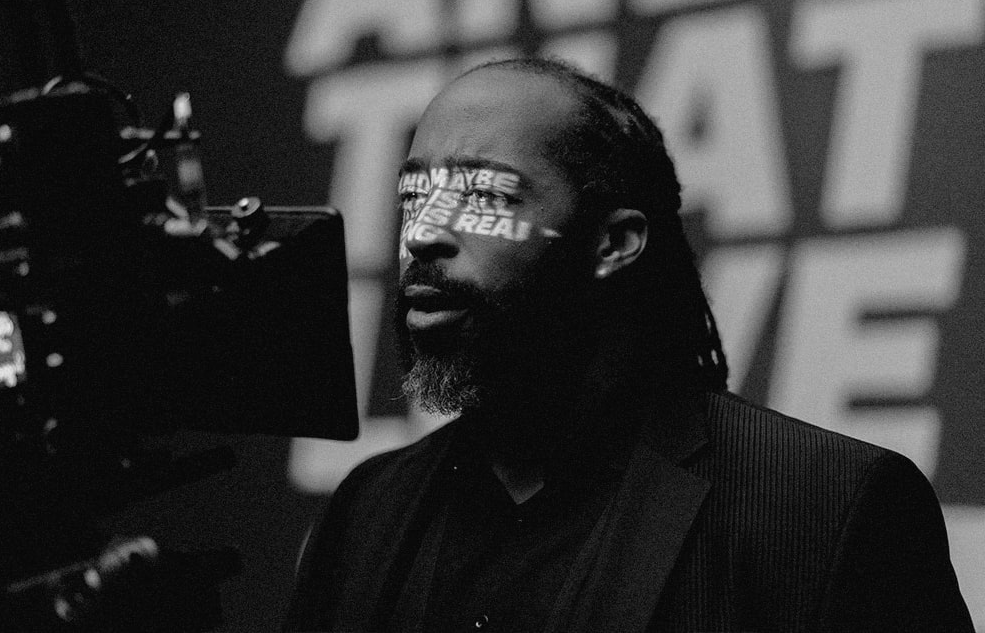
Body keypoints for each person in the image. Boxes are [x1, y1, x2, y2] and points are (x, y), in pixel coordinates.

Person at [286, 58, 972, 632]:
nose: (422, 234)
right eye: (414, 193)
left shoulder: (826, 506)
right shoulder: (367, 510)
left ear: (613, 243)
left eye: (485, 195)